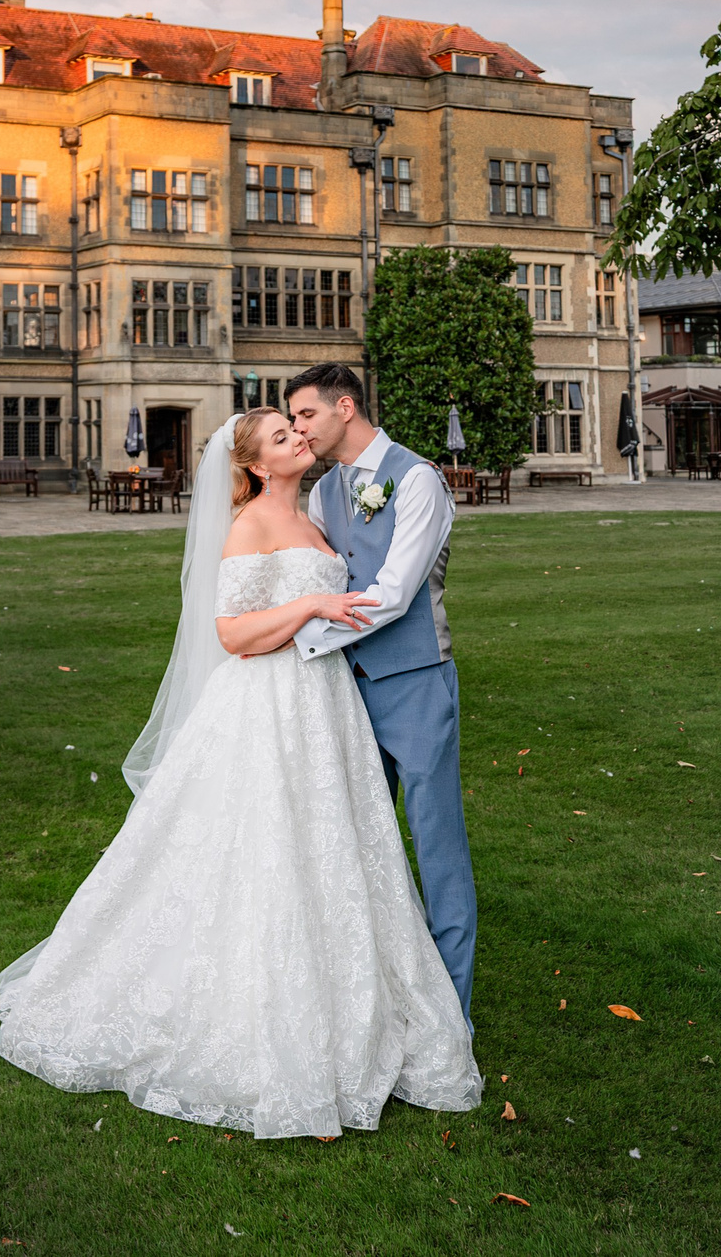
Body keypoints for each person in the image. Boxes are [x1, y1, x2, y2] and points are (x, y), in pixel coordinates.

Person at [0, 408, 481, 1139]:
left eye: (297, 427)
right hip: (265, 705)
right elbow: (232, 634)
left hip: (325, 704)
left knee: (338, 848)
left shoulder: (319, 516)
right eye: (284, 437)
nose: (299, 439)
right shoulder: (248, 524)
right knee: (260, 848)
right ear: (256, 464)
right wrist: (313, 600)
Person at [281, 362, 477, 1022]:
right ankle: (376, 1002)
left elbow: (393, 591)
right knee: (359, 846)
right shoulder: (323, 493)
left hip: (416, 680)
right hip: (345, 691)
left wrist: (300, 637)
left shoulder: (416, 477)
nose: (297, 428)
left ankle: (451, 1016)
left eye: (305, 414)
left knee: (435, 845)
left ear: (345, 406)